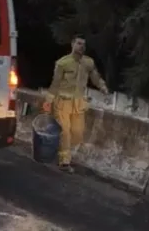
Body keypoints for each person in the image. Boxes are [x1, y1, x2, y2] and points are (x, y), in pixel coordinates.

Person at [42, 34, 109, 173]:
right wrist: (48, 100)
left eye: (83, 44)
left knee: (77, 133)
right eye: (78, 43)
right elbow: (55, 83)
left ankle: (59, 148)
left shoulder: (88, 63)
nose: (81, 47)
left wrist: (102, 87)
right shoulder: (62, 63)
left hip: (78, 102)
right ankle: (64, 161)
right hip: (63, 102)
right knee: (65, 131)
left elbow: (95, 77)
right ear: (72, 44)